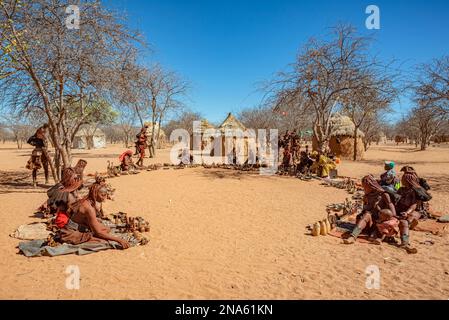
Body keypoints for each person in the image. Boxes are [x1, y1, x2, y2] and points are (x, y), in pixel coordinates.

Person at [56, 182, 130, 249]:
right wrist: (119, 240)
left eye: (105, 195)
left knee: (106, 229)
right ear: (95, 194)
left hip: (74, 228)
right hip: (70, 233)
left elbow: (71, 213)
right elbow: (98, 232)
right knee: (102, 242)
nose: (105, 198)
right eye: (102, 195)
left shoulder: (86, 201)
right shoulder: (88, 208)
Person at [344, 175, 396, 244]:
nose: (364, 188)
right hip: (370, 222)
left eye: (365, 187)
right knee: (367, 215)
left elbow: (392, 212)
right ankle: (353, 236)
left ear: (371, 186)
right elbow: (365, 210)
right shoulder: (367, 196)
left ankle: (376, 236)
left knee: (369, 216)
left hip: (381, 223)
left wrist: (383, 214)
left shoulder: (384, 195)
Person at [394, 169, 426, 254]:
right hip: (401, 209)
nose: (401, 180)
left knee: (410, 217)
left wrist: (407, 212)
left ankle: (405, 240)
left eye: (403, 179)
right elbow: (396, 199)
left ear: (408, 181)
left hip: (413, 211)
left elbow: (414, 205)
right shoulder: (401, 189)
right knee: (402, 220)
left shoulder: (414, 191)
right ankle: (407, 226)